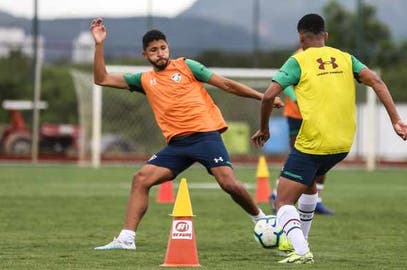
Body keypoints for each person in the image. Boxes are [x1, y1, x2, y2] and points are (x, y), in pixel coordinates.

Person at [89, 17, 283, 250]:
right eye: (153, 50)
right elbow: (101, 78)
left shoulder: (187, 66)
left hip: (206, 137)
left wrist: (264, 98)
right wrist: (99, 44)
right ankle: (126, 239)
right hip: (178, 146)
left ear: (168, 47)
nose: (160, 53)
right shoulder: (144, 80)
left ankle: (261, 219)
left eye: (163, 48)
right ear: (145, 55)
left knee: (228, 183)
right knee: (141, 179)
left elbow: (227, 85)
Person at [251, 14, 407, 264]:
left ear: (300, 37)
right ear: (325, 36)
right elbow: (377, 81)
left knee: (283, 199)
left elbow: (267, 97)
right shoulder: (346, 57)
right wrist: (396, 120)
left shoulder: (298, 60)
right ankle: (301, 241)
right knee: (308, 184)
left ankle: (300, 249)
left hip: (313, 142)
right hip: (342, 145)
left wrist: (264, 128)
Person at [270, 82, 335, 215]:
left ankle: (317, 201)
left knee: (323, 154)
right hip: (296, 115)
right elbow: (285, 83)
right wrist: (295, 99)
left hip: (317, 116)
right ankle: (276, 194)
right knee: (296, 155)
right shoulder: (297, 61)